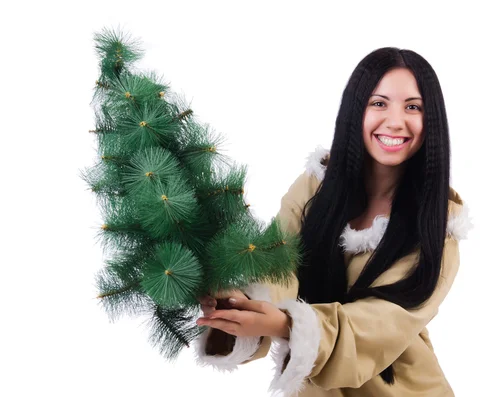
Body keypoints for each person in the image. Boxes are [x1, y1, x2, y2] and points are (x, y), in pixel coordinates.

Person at [194, 47, 472, 397]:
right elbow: (278, 261)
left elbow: (382, 323)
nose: (396, 120)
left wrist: (288, 324)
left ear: (430, 120)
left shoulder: (438, 226)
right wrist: (242, 300)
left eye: (412, 107)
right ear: (356, 110)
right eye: (379, 103)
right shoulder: (315, 186)